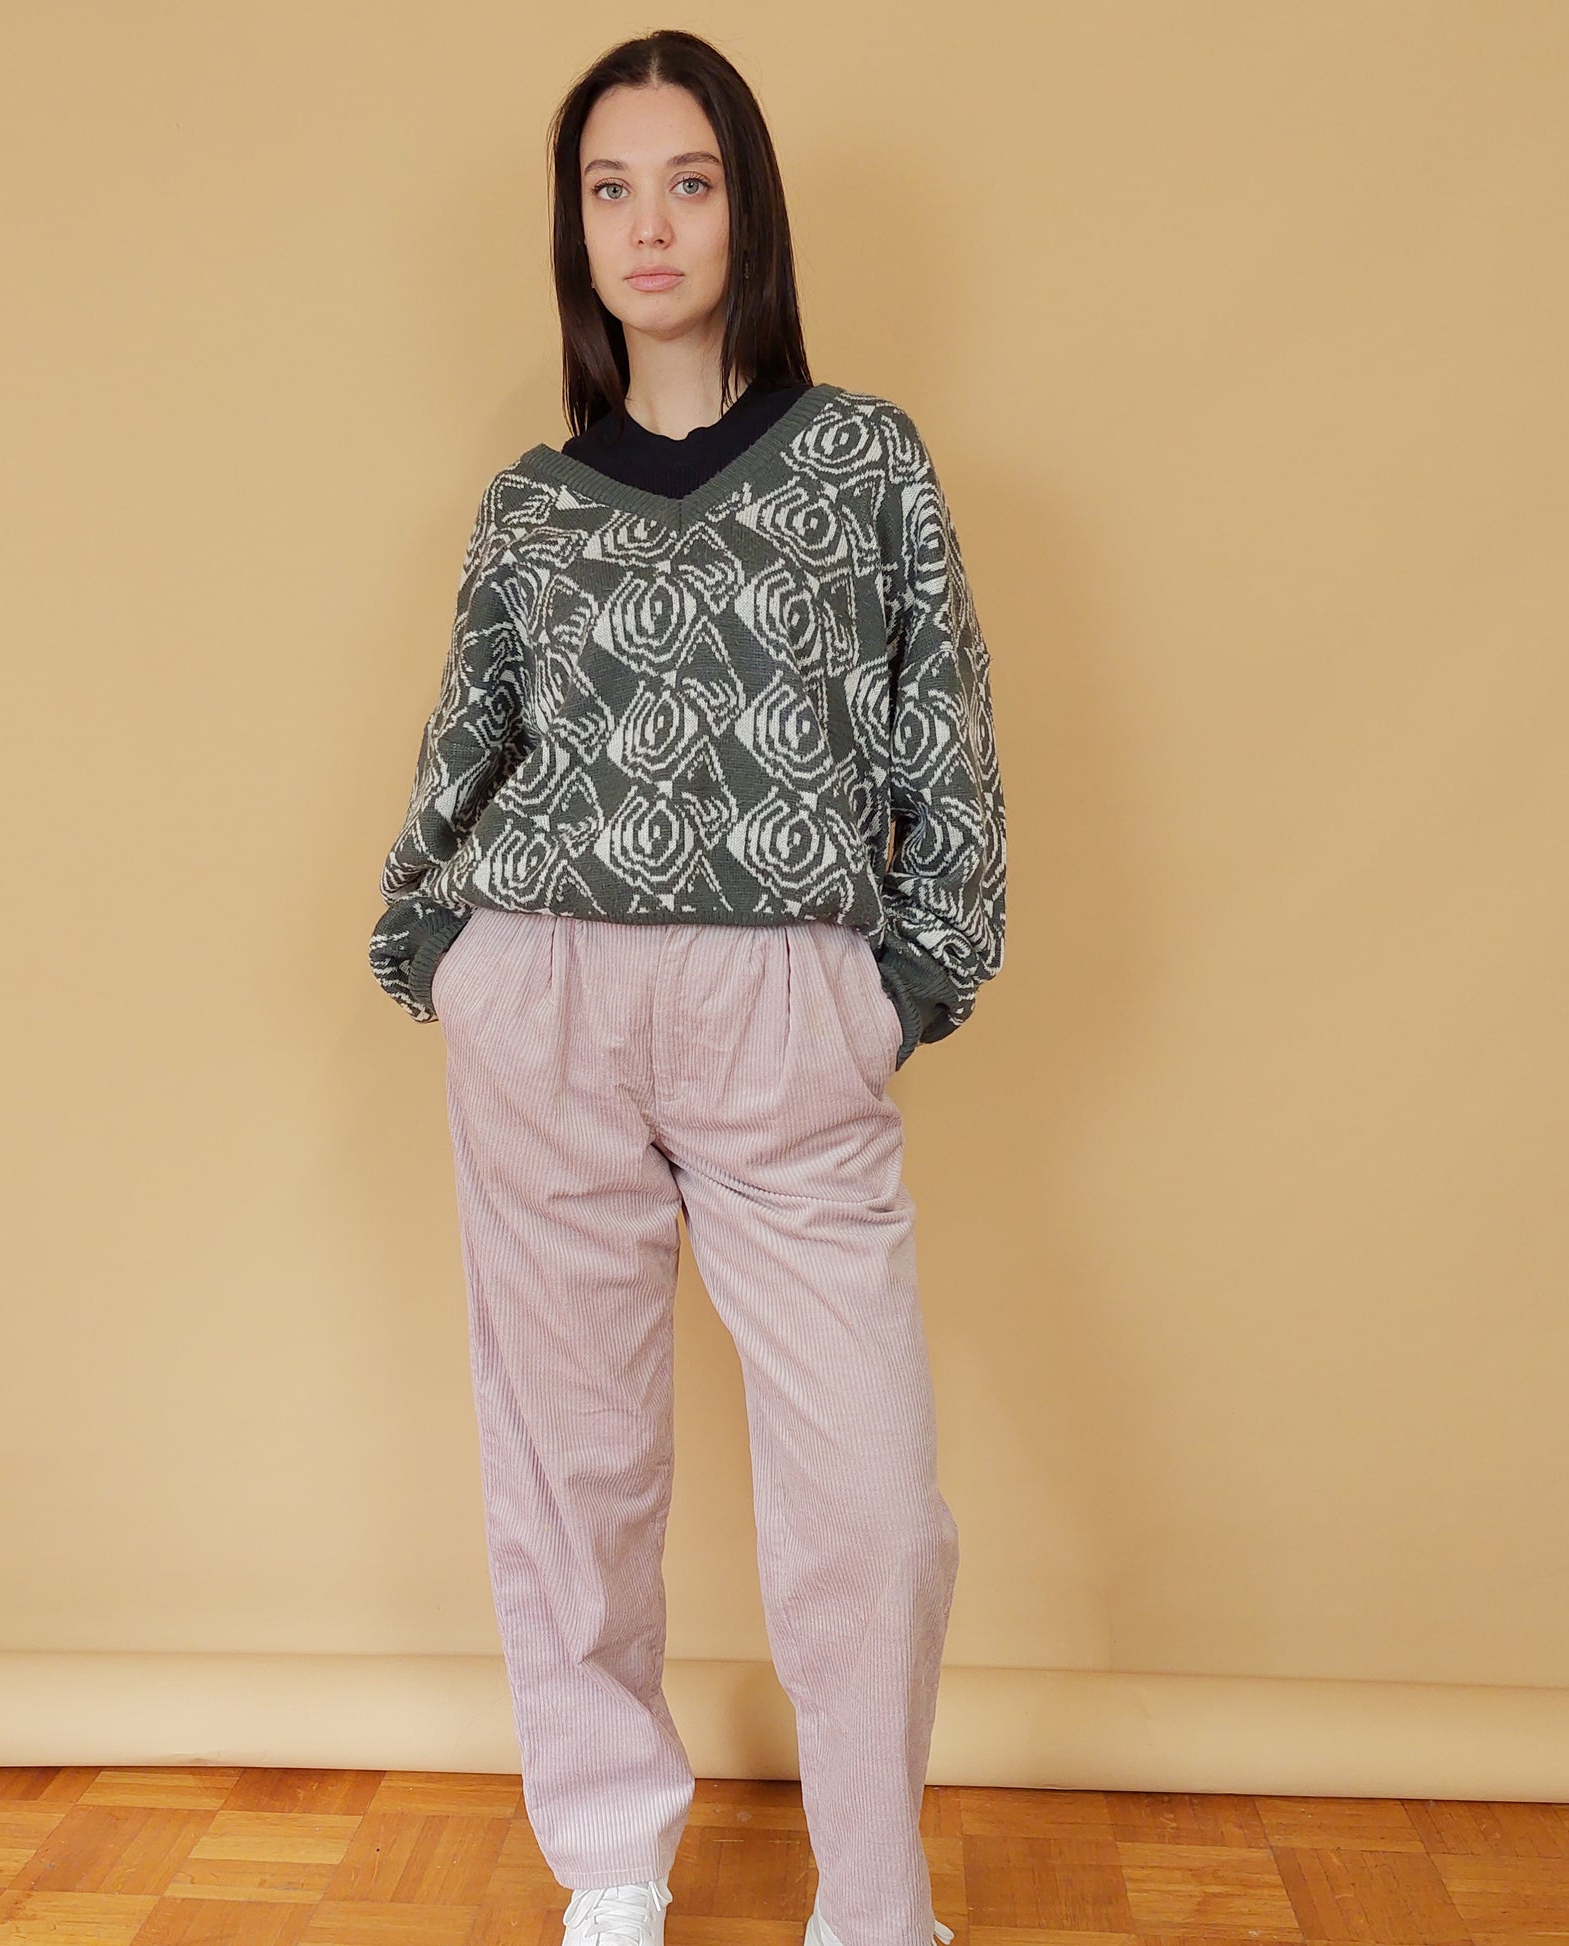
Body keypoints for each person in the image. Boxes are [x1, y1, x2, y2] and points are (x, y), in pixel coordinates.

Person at [368, 30, 1005, 1946]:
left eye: (690, 180)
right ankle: (613, 1867)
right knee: (573, 1470)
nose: (648, 223)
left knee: (871, 1502)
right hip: (546, 1009)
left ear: (748, 209)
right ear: (575, 230)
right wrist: (442, 947)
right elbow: (464, 746)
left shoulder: (865, 461)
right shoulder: (530, 503)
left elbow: (944, 733)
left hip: (783, 1014)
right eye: (609, 187)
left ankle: (872, 1905)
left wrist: (905, 983)